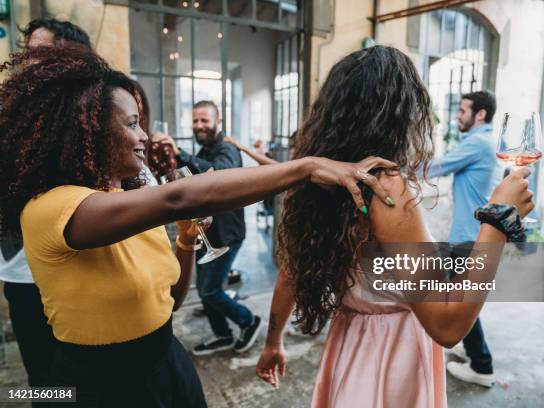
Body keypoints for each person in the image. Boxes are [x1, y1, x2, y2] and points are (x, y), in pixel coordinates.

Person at [0, 44, 396, 407]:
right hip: (99, 384)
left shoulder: (129, 201)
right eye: (132, 123)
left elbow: (170, 300)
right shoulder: (49, 208)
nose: (143, 136)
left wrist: (188, 241)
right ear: (86, 131)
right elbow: (181, 197)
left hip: (166, 364)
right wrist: (307, 167)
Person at [255, 46, 533, 407]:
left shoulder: (322, 178)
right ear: (401, 114)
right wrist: (498, 221)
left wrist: (273, 342)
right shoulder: (386, 190)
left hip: (352, 341)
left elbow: (290, 272)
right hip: (391, 355)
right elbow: (447, 326)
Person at [0, 17, 92, 389]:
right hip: (21, 273)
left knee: (82, 372)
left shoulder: (85, 117)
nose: (29, 61)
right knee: (43, 378)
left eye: (41, 53)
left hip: (73, 267)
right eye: (28, 52)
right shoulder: (11, 116)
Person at [153, 101, 262, 355]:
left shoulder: (227, 149)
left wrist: (179, 152)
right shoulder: (203, 152)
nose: (199, 125)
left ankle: (249, 321)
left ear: (218, 122)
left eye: (204, 120)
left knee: (209, 290)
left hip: (226, 235)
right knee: (205, 290)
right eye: (195, 121)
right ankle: (222, 335)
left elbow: (219, 175)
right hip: (206, 233)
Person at [427, 90, 501, 387]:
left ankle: (482, 367)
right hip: (473, 234)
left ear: (480, 114)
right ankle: (472, 350)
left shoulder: (478, 143)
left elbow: (435, 167)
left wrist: (392, 168)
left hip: (468, 237)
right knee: (459, 295)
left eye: (464, 110)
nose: (459, 114)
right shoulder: (491, 140)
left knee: (459, 299)